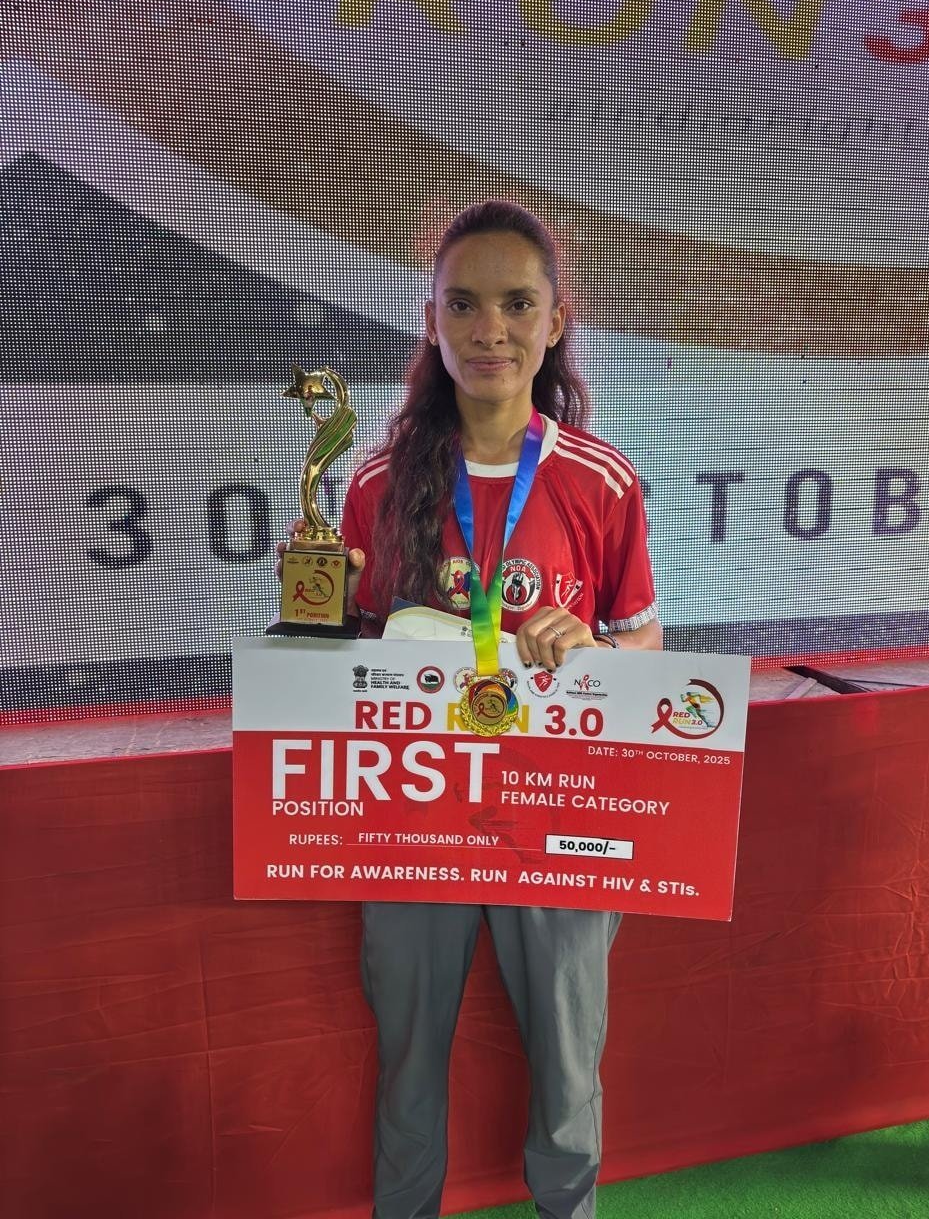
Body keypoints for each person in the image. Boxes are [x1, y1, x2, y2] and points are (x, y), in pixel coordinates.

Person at [282, 200, 662, 1219]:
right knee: (408, 1060)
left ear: (555, 320)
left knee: (569, 1065)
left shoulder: (600, 481)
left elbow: (646, 648)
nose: (491, 328)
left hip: (556, 814)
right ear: (432, 320)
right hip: (413, 817)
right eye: (464, 304)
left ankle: (568, 1209)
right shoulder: (375, 483)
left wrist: (597, 653)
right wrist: (322, 617)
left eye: (517, 303)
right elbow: (349, 661)